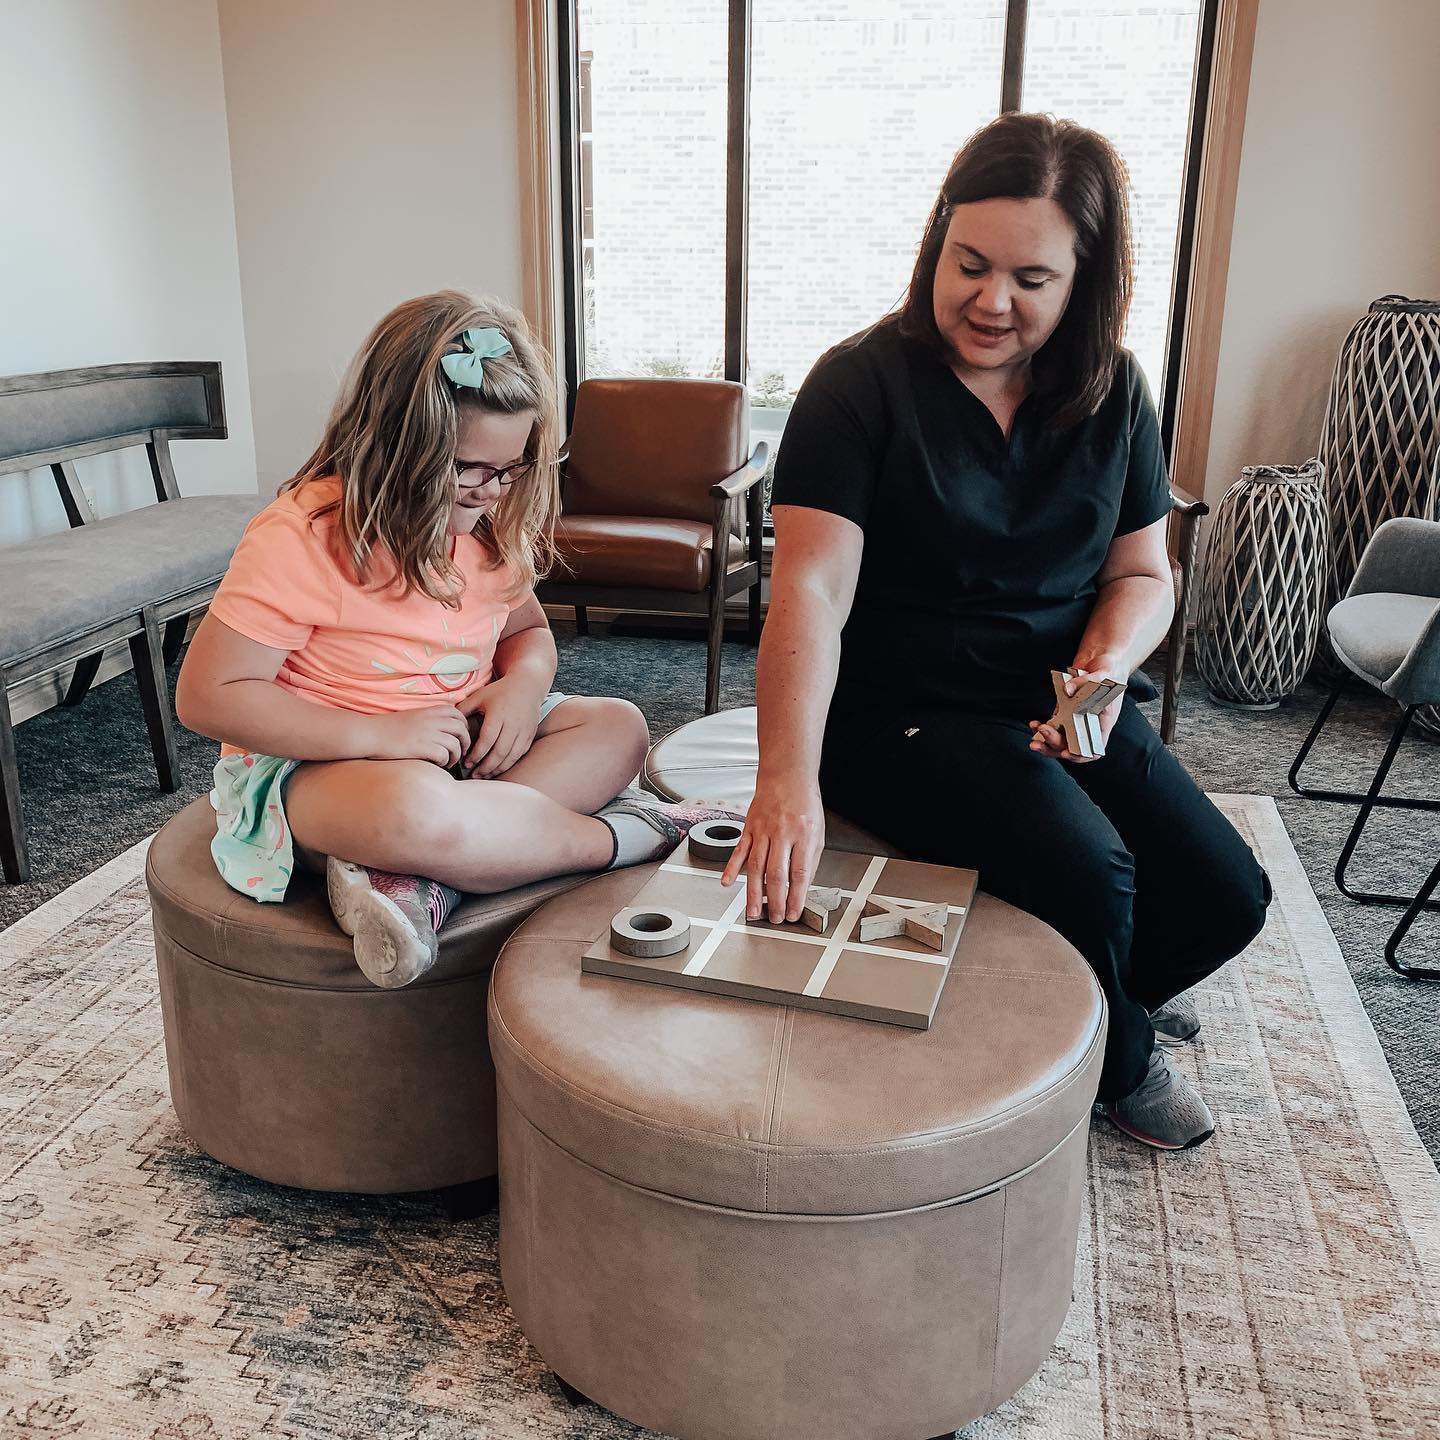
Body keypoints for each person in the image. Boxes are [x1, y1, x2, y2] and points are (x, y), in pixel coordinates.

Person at [720, 114, 1269, 1151]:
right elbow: (810, 595)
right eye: (969, 264)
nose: (991, 300)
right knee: (1093, 871)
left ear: (1083, 283)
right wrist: (784, 779)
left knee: (1228, 897)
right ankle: (1120, 1058)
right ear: (938, 241)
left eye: (1031, 279)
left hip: (1061, 696)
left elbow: (1144, 574)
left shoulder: (1116, 390)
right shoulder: (857, 385)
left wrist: (1102, 672)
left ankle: (1101, 995)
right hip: (900, 713)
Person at [177, 291, 735, 989]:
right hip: (326, 767)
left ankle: (427, 877)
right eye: (468, 469)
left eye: (512, 467)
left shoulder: (487, 530)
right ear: (394, 447)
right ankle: (629, 835)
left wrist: (520, 687)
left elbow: (529, 633)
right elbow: (207, 696)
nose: (491, 491)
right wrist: (381, 736)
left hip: (457, 753)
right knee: (413, 810)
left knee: (618, 728)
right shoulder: (304, 537)